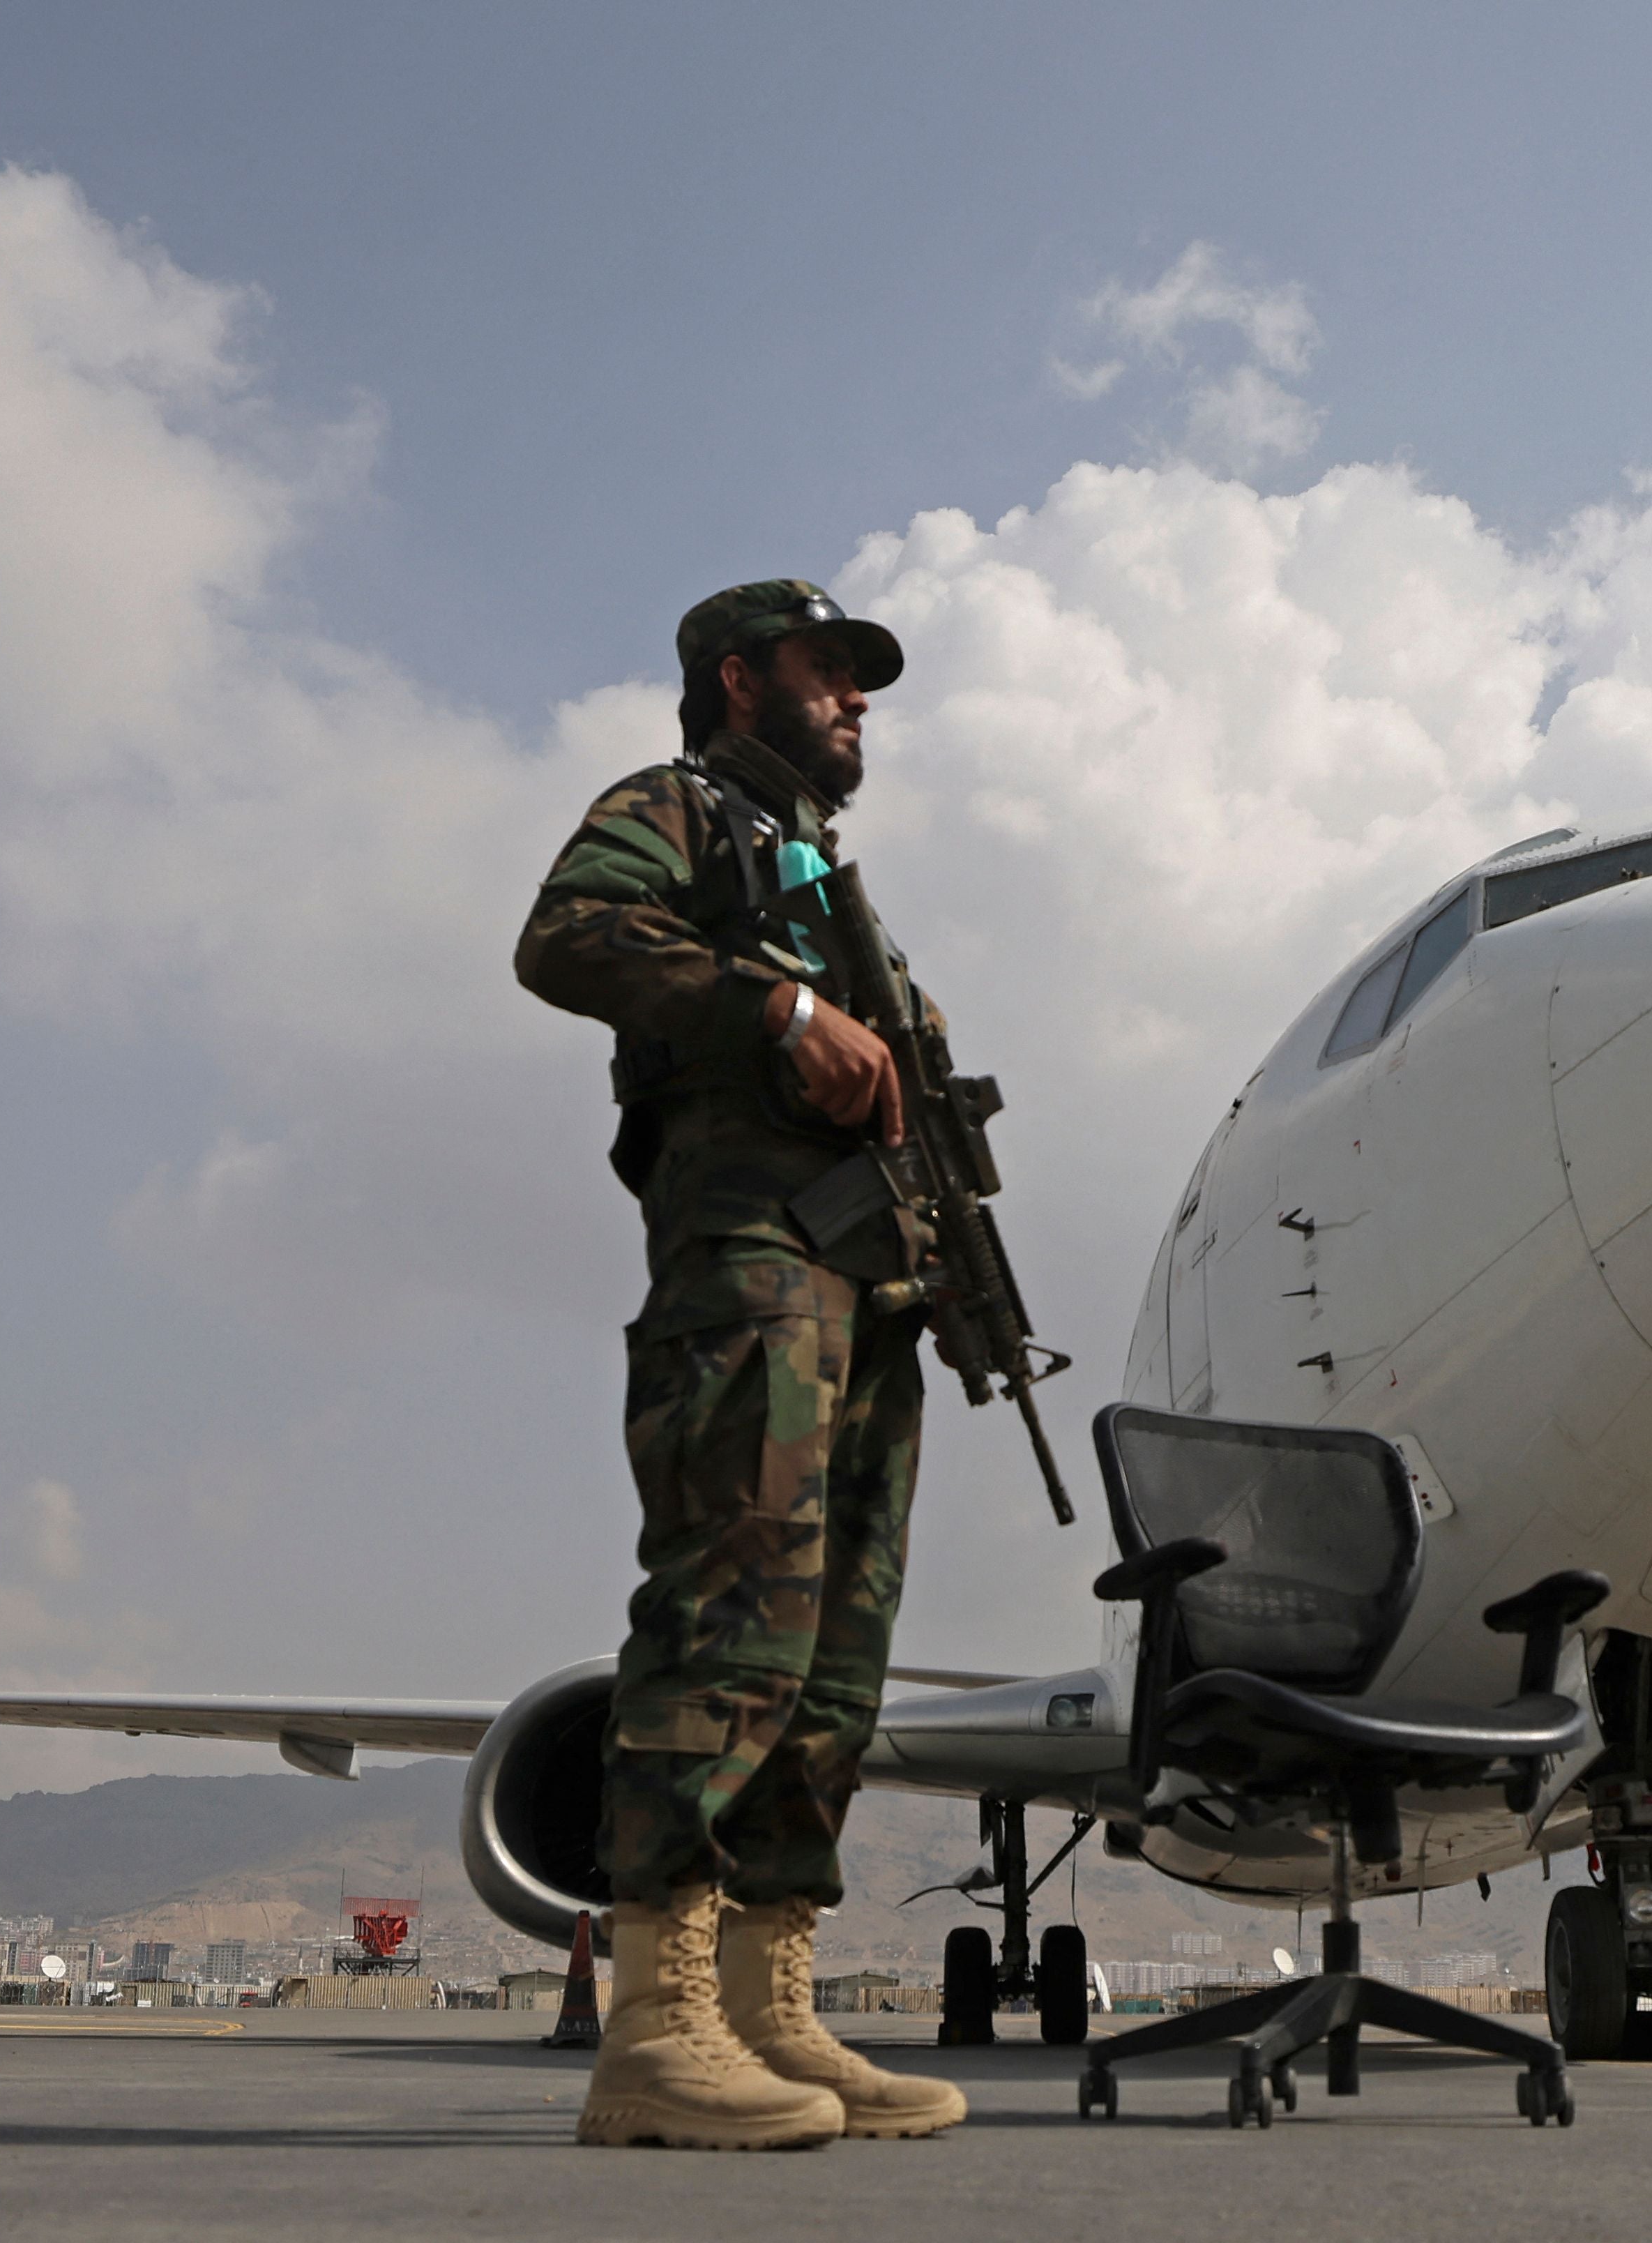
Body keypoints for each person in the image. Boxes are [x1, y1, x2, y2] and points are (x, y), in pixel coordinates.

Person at [515, 580, 967, 2151]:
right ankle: (656, 2028)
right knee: (732, 1612)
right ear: (736, 678)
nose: (855, 699)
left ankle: (773, 2011)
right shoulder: (677, 812)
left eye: (863, 681)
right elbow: (567, 938)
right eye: (827, 670)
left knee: (834, 1656)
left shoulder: (833, 884)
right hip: (753, 1269)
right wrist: (780, 1009)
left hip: (870, 1289)